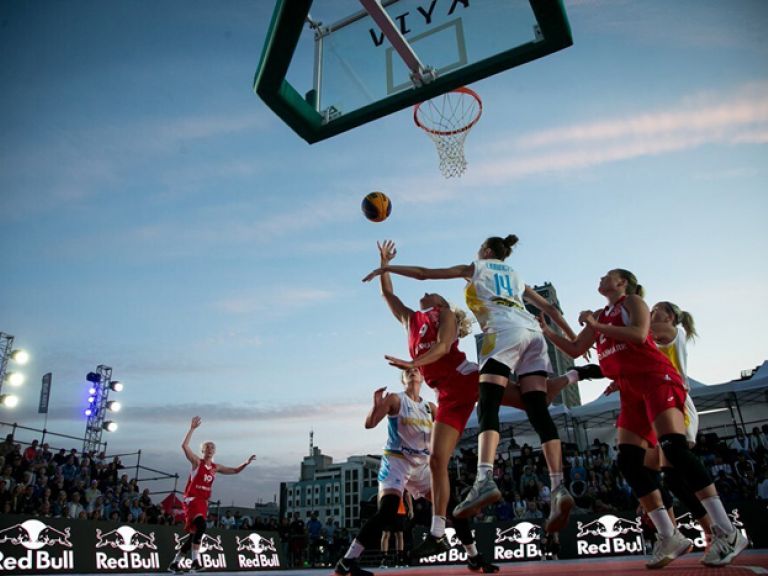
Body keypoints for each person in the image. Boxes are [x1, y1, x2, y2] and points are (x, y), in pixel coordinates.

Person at [363, 235, 582, 535]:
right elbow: (389, 296)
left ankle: (484, 478)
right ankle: (439, 531)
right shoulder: (411, 320)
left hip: (468, 372)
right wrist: (383, 266)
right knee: (440, 459)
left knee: (492, 405)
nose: (426, 292)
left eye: (433, 293)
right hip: (461, 383)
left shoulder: (446, 314)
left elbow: (437, 338)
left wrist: (412, 364)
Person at [539, 269, 748, 568]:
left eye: (608, 275)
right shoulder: (600, 315)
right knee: (628, 460)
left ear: (622, 283)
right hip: (631, 390)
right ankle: (668, 534)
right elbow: (575, 349)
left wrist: (597, 325)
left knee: (674, 450)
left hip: (655, 379)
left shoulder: (633, 303)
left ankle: (726, 531)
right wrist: (548, 333)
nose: (601, 277)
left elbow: (638, 334)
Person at [335, 368, 494, 576]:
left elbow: (449, 434)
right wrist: (376, 406)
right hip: (397, 461)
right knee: (387, 511)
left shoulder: (431, 408)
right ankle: (347, 562)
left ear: (422, 378)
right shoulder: (395, 400)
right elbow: (369, 424)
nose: (412, 372)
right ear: (403, 379)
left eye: (415, 370)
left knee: (453, 508)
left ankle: (474, 558)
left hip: (422, 465)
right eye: (407, 371)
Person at [168, 416, 256, 574]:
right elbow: (184, 446)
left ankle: (175, 563)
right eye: (207, 447)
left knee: (195, 533)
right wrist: (192, 429)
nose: (210, 449)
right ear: (203, 451)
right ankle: (195, 562)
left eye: (212, 448)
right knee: (201, 526)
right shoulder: (197, 462)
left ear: (215, 451)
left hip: (203, 501)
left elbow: (234, 471)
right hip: (192, 499)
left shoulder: (216, 467)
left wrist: (246, 463)